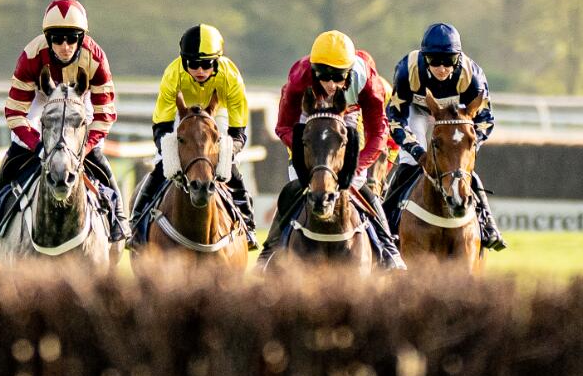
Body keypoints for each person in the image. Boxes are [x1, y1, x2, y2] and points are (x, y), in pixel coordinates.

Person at [0, 0, 128, 242]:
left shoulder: (96, 58)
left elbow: (104, 115)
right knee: (16, 148)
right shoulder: (31, 55)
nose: (65, 46)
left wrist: (84, 148)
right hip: (41, 98)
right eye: (57, 39)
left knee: (97, 155)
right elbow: (15, 112)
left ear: (81, 38)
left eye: (72, 38)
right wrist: (38, 146)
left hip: (80, 99)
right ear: (48, 39)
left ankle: (119, 216)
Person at [259, 30, 401, 267]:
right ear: (314, 70)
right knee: (296, 184)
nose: (331, 84)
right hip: (308, 116)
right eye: (324, 76)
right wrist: (308, 153)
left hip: (349, 113)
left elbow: (378, 133)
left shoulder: (366, 80)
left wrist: (357, 165)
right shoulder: (300, 78)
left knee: (358, 184)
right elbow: (283, 127)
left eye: (338, 77)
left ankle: (389, 249)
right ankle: (269, 251)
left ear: (349, 71)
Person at [130, 24, 257, 245]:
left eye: (206, 64)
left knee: (230, 166)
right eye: (193, 64)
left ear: (216, 62)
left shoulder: (231, 76)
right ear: (184, 61)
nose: (200, 70)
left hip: (217, 114)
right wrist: (169, 154)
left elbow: (238, 131)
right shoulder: (173, 75)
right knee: (162, 165)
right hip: (182, 115)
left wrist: (226, 153)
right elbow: (161, 125)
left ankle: (248, 224)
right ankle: (136, 224)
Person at [382, 22, 506, 250]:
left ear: (458, 59)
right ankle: (386, 224)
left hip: (457, 115)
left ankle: (488, 224)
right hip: (417, 112)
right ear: (424, 57)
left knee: (459, 167)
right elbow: (395, 118)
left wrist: (466, 148)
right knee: (409, 163)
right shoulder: (407, 70)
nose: (441, 68)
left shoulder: (472, 76)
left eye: (448, 61)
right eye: (434, 60)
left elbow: (485, 121)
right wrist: (417, 151)